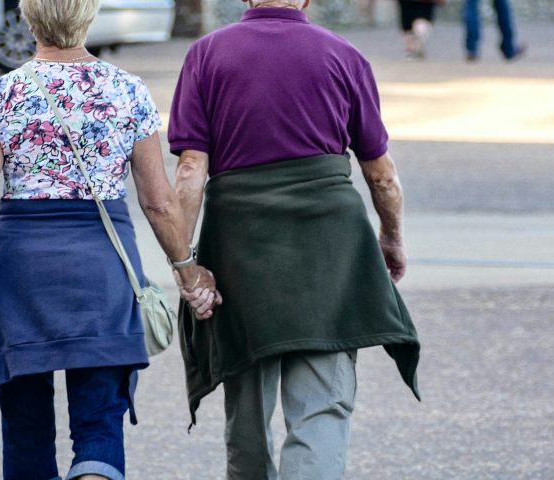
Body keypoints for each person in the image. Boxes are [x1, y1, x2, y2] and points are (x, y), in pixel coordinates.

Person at [0, 0, 220, 478]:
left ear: (30, 21)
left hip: (19, 277)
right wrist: (186, 270)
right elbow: (158, 202)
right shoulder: (128, 91)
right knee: (99, 425)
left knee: (26, 428)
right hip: (102, 271)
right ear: (88, 17)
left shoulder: (2, 94)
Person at [169, 1, 422, 478]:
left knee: (246, 403)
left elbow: (189, 172)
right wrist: (391, 239)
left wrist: (184, 262)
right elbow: (382, 176)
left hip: (241, 242)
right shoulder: (343, 55)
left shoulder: (206, 55)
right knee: (322, 404)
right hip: (329, 245)